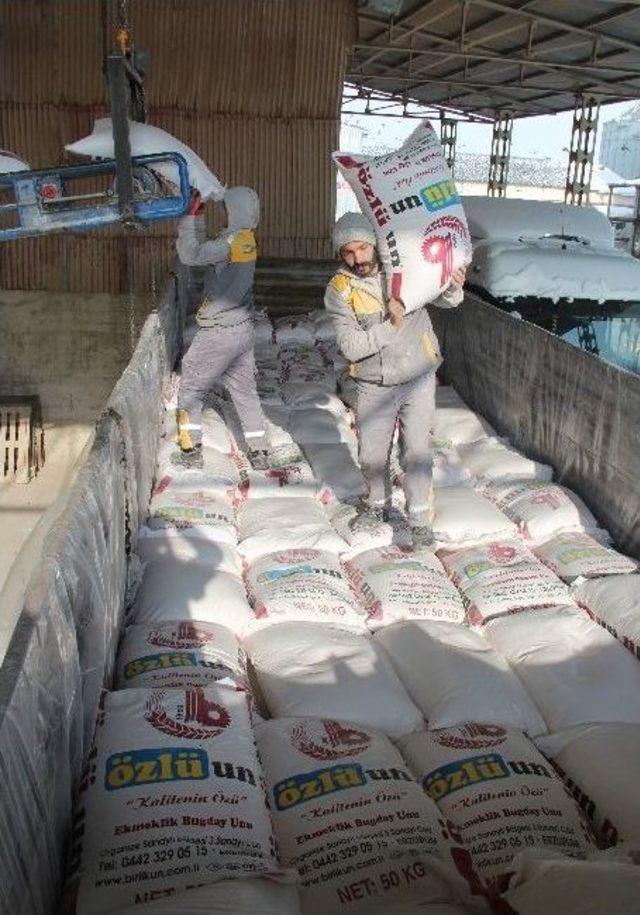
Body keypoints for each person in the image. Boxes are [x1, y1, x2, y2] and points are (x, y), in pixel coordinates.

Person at [324, 211, 466, 548]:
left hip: (417, 375)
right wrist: (392, 326)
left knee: (416, 450)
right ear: (340, 255)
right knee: (372, 455)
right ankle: (377, 505)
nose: (357, 258)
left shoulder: (402, 267)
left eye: (362, 248)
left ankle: (418, 519)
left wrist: (454, 287)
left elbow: (443, 297)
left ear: (374, 244)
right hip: (374, 382)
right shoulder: (339, 290)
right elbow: (350, 346)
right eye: (348, 252)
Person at [175, 185, 269, 469]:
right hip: (242, 329)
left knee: (191, 384)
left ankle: (190, 450)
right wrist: (199, 217)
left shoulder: (229, 242)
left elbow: (190, 255)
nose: (225, 214)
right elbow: (205, 251)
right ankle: (260, 451)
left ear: (236, 211)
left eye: (226, 209)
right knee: (244, 390)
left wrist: (188, 219)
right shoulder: (245, 239)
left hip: (219, 330)